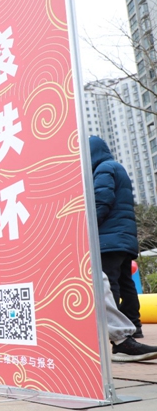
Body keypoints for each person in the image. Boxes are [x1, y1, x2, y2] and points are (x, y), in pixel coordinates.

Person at [90, 136, 143, 338]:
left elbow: (101, 201)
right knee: (125, 282)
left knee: (108, 284)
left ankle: (114, 334)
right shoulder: (116, 167)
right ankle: (134, 327)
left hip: (109, 239)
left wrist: (86, 228)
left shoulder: (104, 169)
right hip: (124, 238)